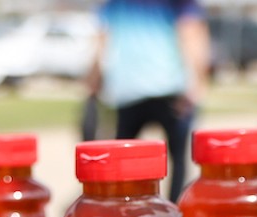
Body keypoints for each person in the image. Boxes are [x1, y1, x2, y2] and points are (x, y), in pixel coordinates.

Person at [89, 0, 211, 202]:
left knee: (122, 162)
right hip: (170, 88)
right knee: (178, 160)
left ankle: (121, 207)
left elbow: (102, 43)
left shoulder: (115, 4)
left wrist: (93, 82)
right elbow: (190, 37)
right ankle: (174, 210)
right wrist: (197, 84)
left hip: (128, 90)